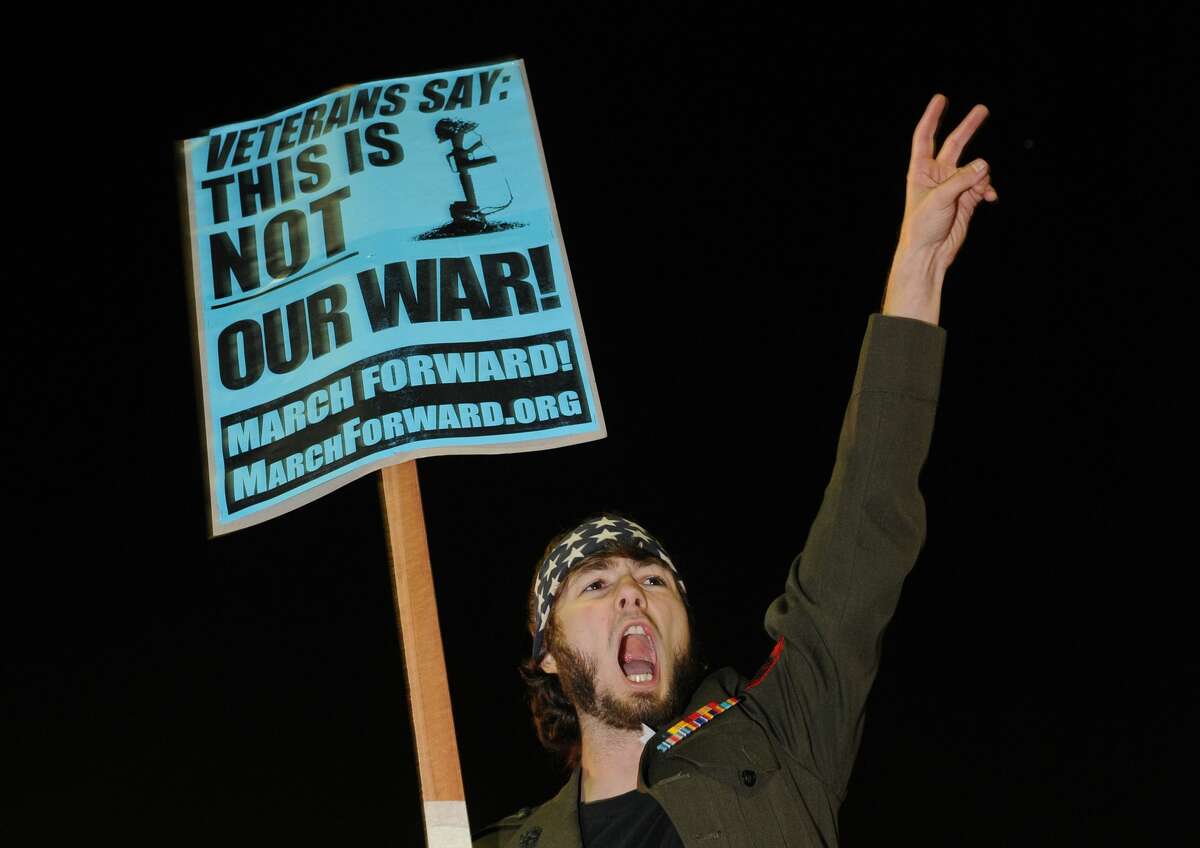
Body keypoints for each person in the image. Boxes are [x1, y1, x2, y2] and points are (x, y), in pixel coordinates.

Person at [471, 92, 997, 847]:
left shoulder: (779, 732)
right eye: (595, 584)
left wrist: (915, 267)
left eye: (654, 580)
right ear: (547, 654)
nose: (631, 593)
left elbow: (866, 523)